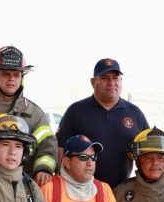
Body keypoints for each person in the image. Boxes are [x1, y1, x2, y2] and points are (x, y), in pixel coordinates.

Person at [0, 46, 57, 186]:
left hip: (22, 187)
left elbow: (48, 148)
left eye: (16, 74)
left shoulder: (35, 114)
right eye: (6, 74)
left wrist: (43, 169)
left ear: (22, 77)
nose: (11, 79)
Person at [56, 59, 149, 188]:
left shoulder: (135, 113)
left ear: (121, 82)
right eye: (105, 78)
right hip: (82, 191)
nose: (111, 83)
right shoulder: (76, 110)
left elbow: (149, 150)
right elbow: (60, 149)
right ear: (93, 82)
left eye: (116, 78)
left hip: (122, 190)